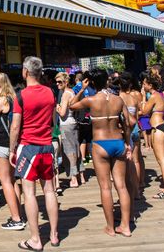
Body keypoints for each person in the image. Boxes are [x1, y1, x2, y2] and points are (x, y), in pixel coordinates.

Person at [70, 68, 132, 237]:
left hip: (100, 144)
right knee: (121, 186)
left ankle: (110, 227)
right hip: (118, 142)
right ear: (106, 81)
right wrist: (128, 144)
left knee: (105, 187)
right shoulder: (118, 100)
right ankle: (125, 226)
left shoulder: (90, 100)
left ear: (91, 83)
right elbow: (128, 123)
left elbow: (71, 105)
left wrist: (82, 89)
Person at [10, 57, 60, 250]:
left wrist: (12, 149)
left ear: (25, 71)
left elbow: (15, 127)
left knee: (29, 193)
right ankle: (54, 235)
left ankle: (36, 239)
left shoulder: (21, 96)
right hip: (47, 146)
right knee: (50, 190)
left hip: (28, 147)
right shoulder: (50, 93)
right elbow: (53, 121)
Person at [0, 73, 25, 230]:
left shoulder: (0, 101)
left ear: (2, 84)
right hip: (14, 144)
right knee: (13, 180)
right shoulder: (15, 98)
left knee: (5, 181)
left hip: (1, 144)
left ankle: (16, 219)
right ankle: (19, 213)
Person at [140, 72, 164, 199]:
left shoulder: (153, 96)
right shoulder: (161, 96)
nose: (143, 85)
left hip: (157, 128)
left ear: (150, 85)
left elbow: (144, 112)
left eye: (144, 84)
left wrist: (143, 98)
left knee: (162, 161)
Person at [117, 72, 143, 201]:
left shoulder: (118, 98)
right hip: (136, 129)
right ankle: (137, 190)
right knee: (136, 160)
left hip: (125, 131)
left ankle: (129, 190)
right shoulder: (134, 97)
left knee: (127, 164)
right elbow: (137, 116)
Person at [55, 72, 84, 188]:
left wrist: (57, 108)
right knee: (76, 148)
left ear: (66, 82)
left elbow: (62, 113)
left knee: (68, 151)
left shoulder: (65, 94)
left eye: (60, 82)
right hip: (73, 123)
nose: (57, 84)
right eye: (56, 82)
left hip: (66, 124)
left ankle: (73, 178)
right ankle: (81, 176)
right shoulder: (72, 92)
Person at [73, 71, 95, 165]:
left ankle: (82, 159)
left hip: (80, 116)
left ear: (76, 79)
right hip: (90, 116)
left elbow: (73, 101)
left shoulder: (76, 88)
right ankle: (90, 157)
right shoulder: (91, 88)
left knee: (82, 139)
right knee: (89, 138)